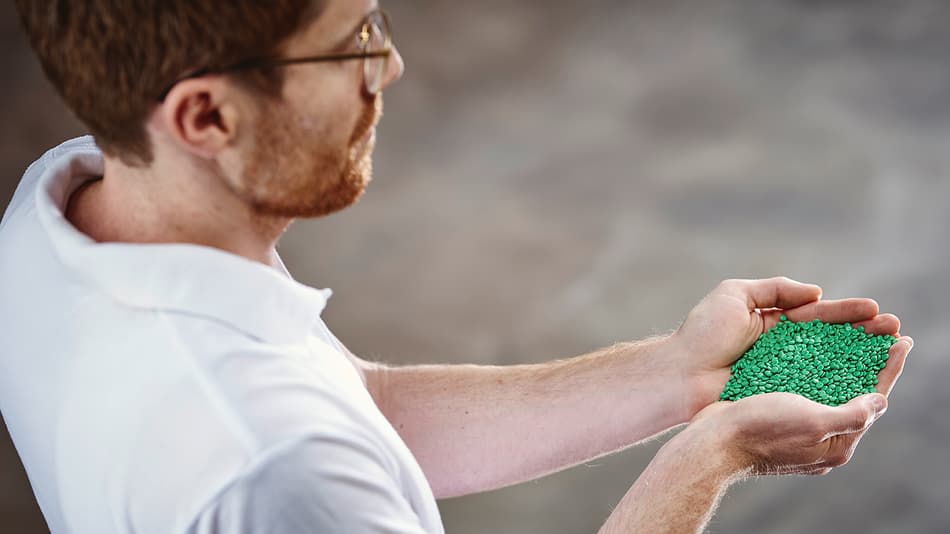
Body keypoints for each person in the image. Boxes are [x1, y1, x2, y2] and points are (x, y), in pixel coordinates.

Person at [1, 1, 912, 533]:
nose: (389, 66)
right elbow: (316, 446)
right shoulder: (276, 468)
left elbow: (369, 414)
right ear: (207, 118)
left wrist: (681, 375)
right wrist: (712, 457)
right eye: (351, 40)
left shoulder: (66, 213)